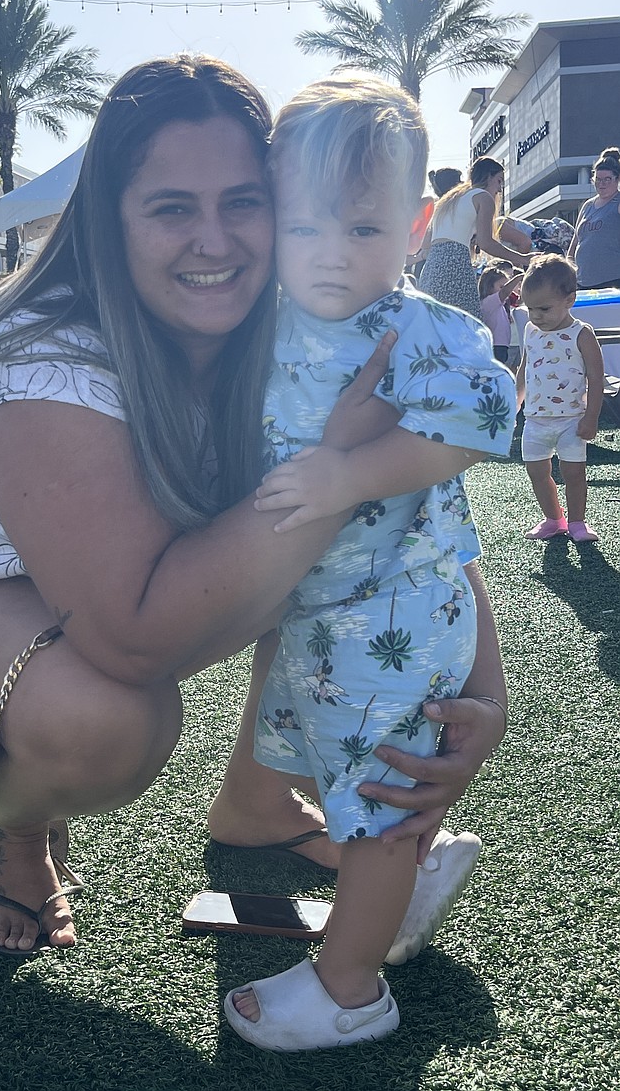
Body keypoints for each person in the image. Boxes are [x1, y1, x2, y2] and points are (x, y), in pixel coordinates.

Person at [0, 54, 507, 960]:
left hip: (141, 558)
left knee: (314, 538)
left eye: (243, 202)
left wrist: (488, 691)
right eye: (170, 208)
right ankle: (16, 822)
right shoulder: (47, 358)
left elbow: (418, 498)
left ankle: (257, 800)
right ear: (110, 220)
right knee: (109, 720)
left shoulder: (313, 297)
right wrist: (336, 465)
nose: (216, 240)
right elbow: (137, 636)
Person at [221, 76, 516, 1052]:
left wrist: (351, 467)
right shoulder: (272, 320)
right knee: (343, 775)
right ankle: (410, 874)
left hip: (393, 609)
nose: (331, 256)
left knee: (379, 795)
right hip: (324, 612)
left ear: (417, 221)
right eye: (304, 228)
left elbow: (478, 421)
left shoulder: (418, 326)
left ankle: (351, 984)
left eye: (361, 228)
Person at [516, 254, 603, 542]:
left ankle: (578, 522)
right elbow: (524, 367)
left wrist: (591, 417)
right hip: (535, 419)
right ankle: (554, 519)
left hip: (571, 419)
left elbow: (595, 377)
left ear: (569, 300)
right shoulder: (530, 330)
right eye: (530, 308)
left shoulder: (582, 333)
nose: (536, 315)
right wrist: (516, 401)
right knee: (536, 471)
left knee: (574, 471)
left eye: (543, 308)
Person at [419, 156, 529, 319]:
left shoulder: (448, 200)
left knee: (436, 328)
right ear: (488, 176)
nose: (499, 189)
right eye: (499, 181)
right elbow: (486, 243)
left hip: (430, 269)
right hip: (455, 265)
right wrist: (523, 258)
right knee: (465, 326)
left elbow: (426, 244)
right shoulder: (483, 198)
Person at [568, 147, 620, 290]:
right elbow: (575, 242)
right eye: (598, 179)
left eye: (607, 179)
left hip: (612, 281)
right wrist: (569, 266)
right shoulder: (587, 205)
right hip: (582, 281)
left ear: (617, 179)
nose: (602, 184)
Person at [479, 265, 524, 365]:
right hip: (494, 346)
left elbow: (519, 300)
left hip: (502, 345)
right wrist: (518, 278)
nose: (505, 290)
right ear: (489, 286)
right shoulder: (488, 302)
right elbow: (505, 292)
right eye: (501, 286)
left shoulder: (502, 304)